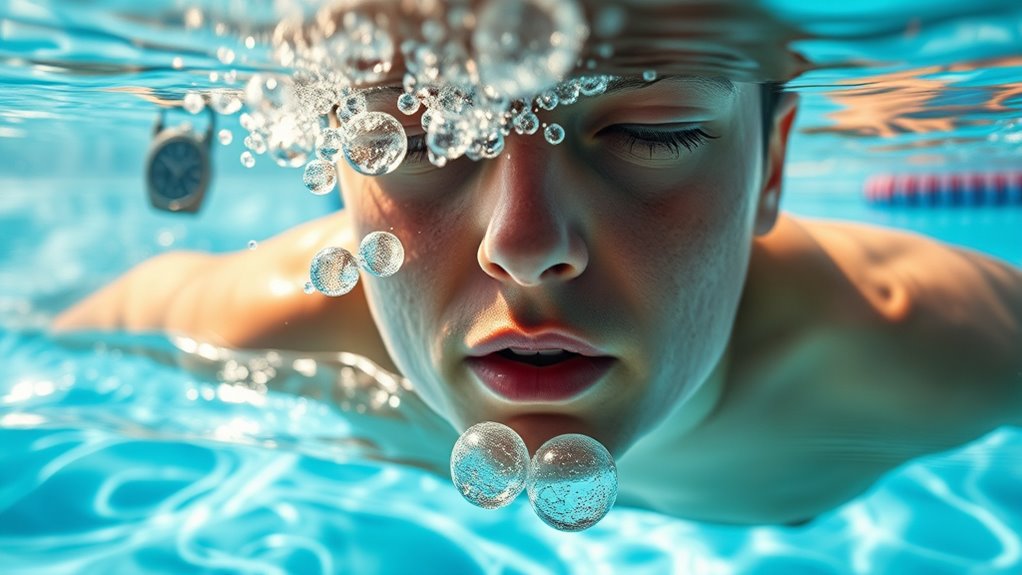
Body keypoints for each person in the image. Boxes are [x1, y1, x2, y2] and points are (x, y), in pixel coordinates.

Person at [52, 11, 1022, 526]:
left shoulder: (922, 347)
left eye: (652, 131)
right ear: (345, 170)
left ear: (770, 168)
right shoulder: (264, 328)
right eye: (424, 138)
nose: (521, 243)